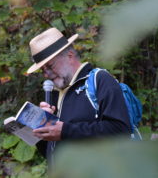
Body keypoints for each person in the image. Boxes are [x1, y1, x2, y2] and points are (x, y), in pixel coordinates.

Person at [26, 27, 131, 166]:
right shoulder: (54, 93)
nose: (47, 75)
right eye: (43, 70)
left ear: (69, 55)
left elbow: (120, 131)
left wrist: (65, 131)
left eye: (50, 66)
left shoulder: (100, 80)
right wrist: (40, 131)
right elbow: (51, 153)